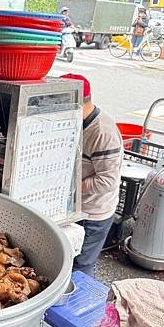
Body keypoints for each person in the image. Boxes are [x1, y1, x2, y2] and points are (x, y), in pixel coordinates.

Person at [60, 74, 123, 277]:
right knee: (64, 260)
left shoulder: (103, 133)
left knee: (82, 265)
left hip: (93, 213)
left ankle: (79, 306)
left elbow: (108, 180)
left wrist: (71, 188)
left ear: (76, 101)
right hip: (72, 206)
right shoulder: (73, 121)